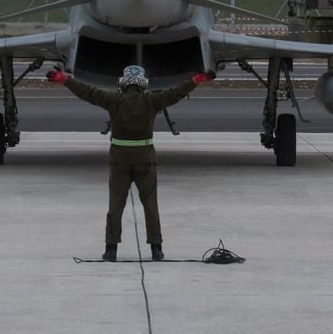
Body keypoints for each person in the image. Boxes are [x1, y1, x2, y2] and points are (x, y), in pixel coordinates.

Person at [47, 64, 215, 262]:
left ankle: (111, 250)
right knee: (151, 206)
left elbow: (88, 92)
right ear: (143, 83)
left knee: (115, 206)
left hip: (119, 161)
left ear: (123, 83)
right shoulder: (152, 100)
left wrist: (65, 79)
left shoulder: (113, 100)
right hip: (146, 161)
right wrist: (196, 80)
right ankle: (156, 249)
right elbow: (175, 93)